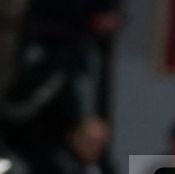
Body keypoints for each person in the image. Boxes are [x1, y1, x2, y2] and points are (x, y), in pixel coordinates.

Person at [0, 0, 121, 159]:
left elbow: (107, 18)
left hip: (73, 60)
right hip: (43, 58)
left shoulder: (87, 61)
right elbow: (15, 109)